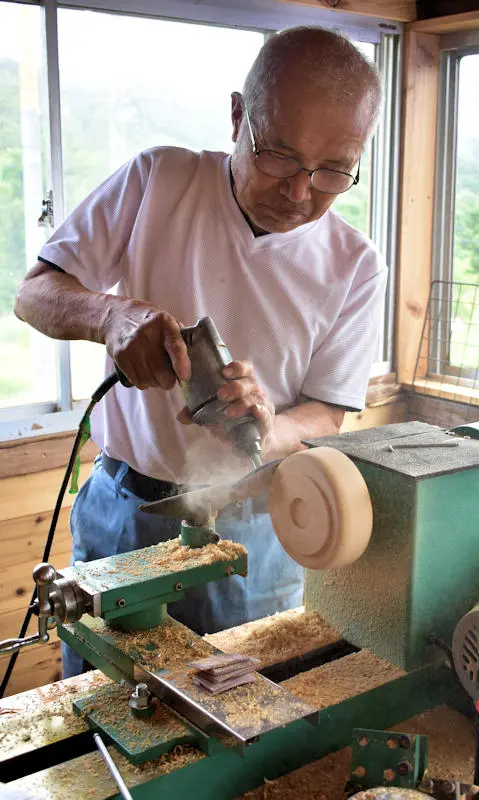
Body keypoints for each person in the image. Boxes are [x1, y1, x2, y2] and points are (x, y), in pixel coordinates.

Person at [14, 26, 388, 677]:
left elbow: (327, 413)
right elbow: (34, 294)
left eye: (332, 170)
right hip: (123, 510)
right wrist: (111, 316)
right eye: (277, 154)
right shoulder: (158, 180)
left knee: (235, 727)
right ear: (238, 116)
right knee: (100, 711)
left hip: (255, 528)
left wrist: (269, 426)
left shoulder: (354, 264)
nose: (300, 192)